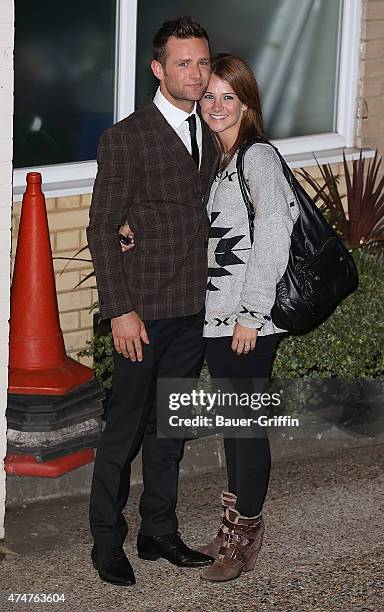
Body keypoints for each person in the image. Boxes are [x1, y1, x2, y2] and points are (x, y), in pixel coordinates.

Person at [87, 17, 219, 587]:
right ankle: (106, 540)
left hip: (192, 307)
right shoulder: (127, 136)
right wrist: (120, 308)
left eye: (203, 62)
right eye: (183, 63)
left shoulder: (213, 131)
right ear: (157, 68)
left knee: (171, 429)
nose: (195, 73)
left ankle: (158, 531)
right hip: (141, 313)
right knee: (124, 431)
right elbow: (100, 226)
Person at [197, 54, 299, 582]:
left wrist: (253, 314)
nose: (216, 106)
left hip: (246, 322)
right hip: (219, 318)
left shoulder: (256, 157)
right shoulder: (220, 160)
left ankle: (245, 535)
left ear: (247, 104)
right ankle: (232, 521)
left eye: (227, 97)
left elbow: (276, 232)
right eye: (209, 96)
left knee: (246, 429)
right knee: (234, 426)